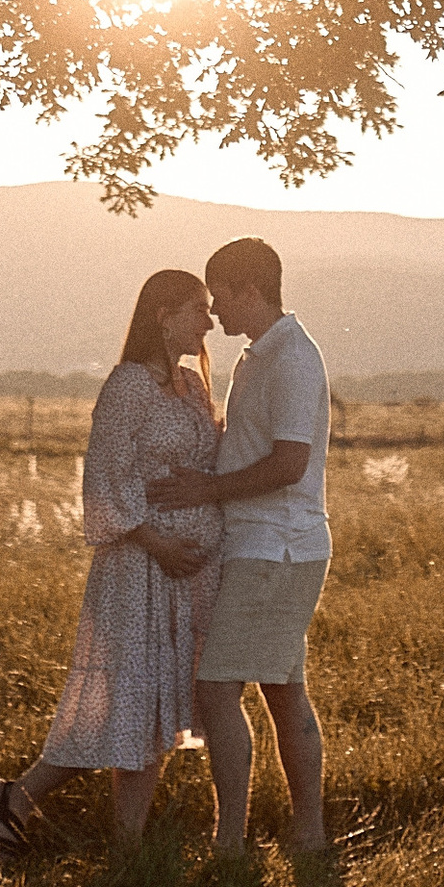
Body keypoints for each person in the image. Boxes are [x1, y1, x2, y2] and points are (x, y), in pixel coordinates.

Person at [0, 267, 221, 855]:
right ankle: (103, 837)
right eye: (197, 308)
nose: (209, 322)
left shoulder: (193, 386)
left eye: (211, 309)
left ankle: (38, 810)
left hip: (188, 579)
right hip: (138, 571)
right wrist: (160, 543)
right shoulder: (127, 386)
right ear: (162, 315)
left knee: (156, 707)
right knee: (134, 704)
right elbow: (104, 481)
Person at [149, 234, 331, 854]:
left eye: (221, 297)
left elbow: (288, 464)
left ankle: (231, 843)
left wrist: (208, 489)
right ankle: (307, 837)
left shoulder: (293, 360)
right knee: (283, 691)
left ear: (251, 291)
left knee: (217, 691)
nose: (214, 311)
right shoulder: (262, 354)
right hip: (272, 546)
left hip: (274, 547)